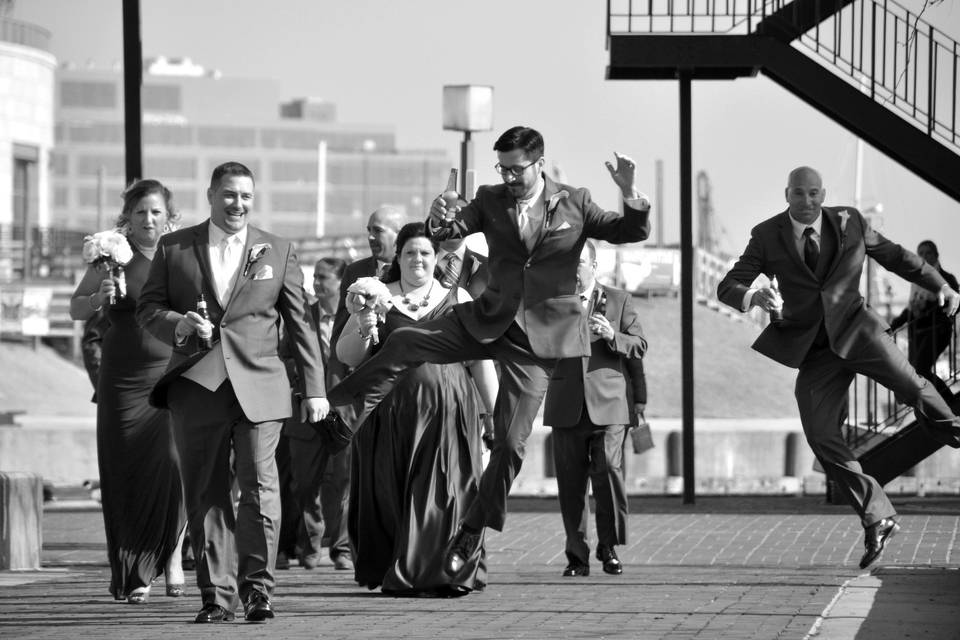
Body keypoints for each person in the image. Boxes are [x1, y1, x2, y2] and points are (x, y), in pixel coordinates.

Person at [328, 125, 651, 578]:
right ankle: (344, 409)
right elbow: (448, 232)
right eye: (503, 168)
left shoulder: (575, 202)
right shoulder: (489, 198)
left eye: (517, 169)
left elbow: (629, 231)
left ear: (539, 162)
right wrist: (440, 212)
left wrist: (631, 193)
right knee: (406, 340)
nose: (510, 177)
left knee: (510, 445)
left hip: (538, 343)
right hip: (486, 319)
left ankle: (470, 531)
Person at [717, 166, 960, 570]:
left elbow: (897, 257)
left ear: (823, 193)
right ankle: (878, 515)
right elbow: (728, 284)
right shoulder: (766, 235)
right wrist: (754, 296)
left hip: (858, 331)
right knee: (820, 434)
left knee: (914, 388)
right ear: (787, 194)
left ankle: (955, 429)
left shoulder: (850, 221)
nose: (808, 201)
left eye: (814, 193)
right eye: (799, 194)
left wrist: (940, 285)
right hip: (814, 349)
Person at [136, 161, 329, 624]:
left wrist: (315, 389)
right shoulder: (174, 246)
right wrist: (177, 324)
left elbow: (302, 326)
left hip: (260, 387)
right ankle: (217, 597)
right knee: (206, 494)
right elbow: (148, 309)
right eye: (228, 194)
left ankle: (259, 591)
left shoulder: (277, 251)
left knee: (261, 490)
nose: (237, 203)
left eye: (244, 195)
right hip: (197, 387)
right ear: (210, 194)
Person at [336, 222, 498, 595]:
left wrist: (495, 413)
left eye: (425, 252)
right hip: (389, 415)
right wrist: (364, 324)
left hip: (449, 412)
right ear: (398, 257)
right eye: (410, 252)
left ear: (437, 257)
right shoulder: (377, 296)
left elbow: (480, 362)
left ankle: (448, 572)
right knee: (394, 492)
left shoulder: (458, 299)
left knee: (447, 490)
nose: (418, 259)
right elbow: (347, 356)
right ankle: (401, 569)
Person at [69, 179, 187, 604]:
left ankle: (172, 556)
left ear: (169, 217)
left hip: (170, 373)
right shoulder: (111, 256)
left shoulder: (181, 256)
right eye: (140, 212)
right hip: (121, 377)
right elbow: (76, 306)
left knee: (174, 465)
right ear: (129, 217)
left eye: (156, 212)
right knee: (126, 473)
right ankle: (136, 568)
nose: (148, 219)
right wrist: (97, 299)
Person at [543, 241, 646, 578]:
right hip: (566, 404)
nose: (573, 270)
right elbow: (537, 346)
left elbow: (639, 345)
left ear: (594, 265)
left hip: (609, 405)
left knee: (609, 472)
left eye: (579, 264)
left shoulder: (618, 300)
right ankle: (577, 556)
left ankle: (609, 546)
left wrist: (613, 335)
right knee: (570, 486)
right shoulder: (553, 303)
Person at [280, 257, 353, 571]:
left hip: (344, 412)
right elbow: (284, 355)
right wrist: (301, 378)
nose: (317, 283)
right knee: (305, 484)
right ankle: (310, 542)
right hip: (307, 412)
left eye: (324, 278)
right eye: (316, 277)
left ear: (340, 282)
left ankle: (343, 549)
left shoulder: (354, 316)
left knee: (345, 482)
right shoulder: (303, 316)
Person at [889, 240, 959, 400]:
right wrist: (893, 325)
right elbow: (911, 310)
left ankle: (950, 402)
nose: (924, 256)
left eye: (928, 253)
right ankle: (929, 407)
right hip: (917, 335)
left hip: (936, 331)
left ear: (936, 255)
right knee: (915, 375)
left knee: (920, 370)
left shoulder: (946, 278)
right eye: (920, 253)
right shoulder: (917, 280)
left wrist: (931, 306)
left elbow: (954, 302)